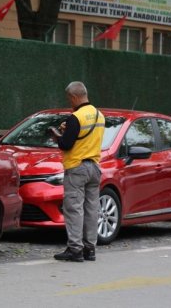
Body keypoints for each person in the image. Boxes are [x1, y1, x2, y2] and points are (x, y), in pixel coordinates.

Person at [50, 81, 105, 262]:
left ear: (74, 97)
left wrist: (57, 136)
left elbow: (66, 144)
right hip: (95, 167)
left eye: (69, 99)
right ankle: (90, 249)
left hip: (77, 167)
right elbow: (84, 137)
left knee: (74, 208)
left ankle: (75, 249)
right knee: (91, 209)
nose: (69, 102)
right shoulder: (100, 116)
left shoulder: (76, 117)